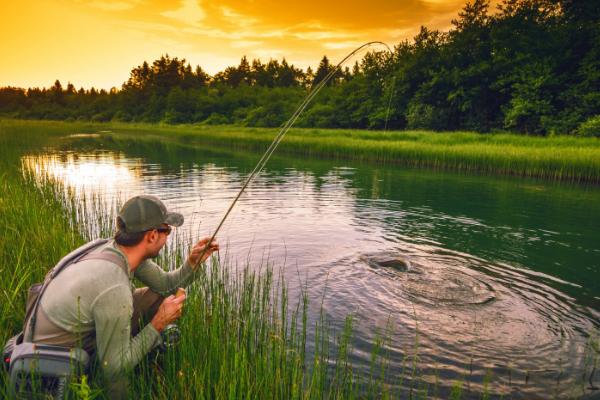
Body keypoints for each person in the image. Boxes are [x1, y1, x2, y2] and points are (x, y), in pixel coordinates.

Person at [26, 195, 219, 397]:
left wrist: (192, 263)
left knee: (158, 297)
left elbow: (165, 286)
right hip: (56, 359)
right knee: (117, 371)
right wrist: (159, 323)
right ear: (152, 236)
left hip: (65, 331)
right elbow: (114, 367)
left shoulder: (115, 249)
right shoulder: (114, 286)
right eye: (167, 231)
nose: (167, 237)